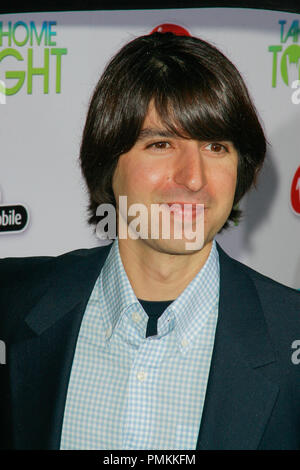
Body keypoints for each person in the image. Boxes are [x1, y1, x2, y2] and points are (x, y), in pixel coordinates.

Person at [1, 32, 300, 450]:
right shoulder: (14, 303)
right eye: (161, 144)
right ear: (109, 162)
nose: (193, 178)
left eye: (216, 146)